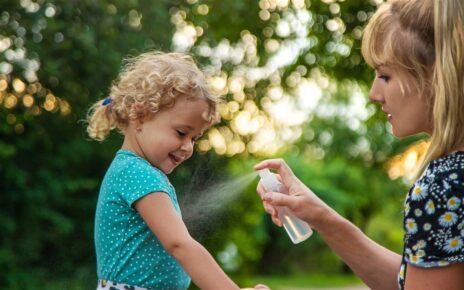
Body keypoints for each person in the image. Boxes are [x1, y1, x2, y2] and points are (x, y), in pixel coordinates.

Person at [255, 0, 464, 289]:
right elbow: (415, 280)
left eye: (385, 76)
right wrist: (320, 217)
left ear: (438, 76)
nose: (373, 94)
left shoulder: (443, 186)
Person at [87, 51, 268, 290]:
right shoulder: (136, 173)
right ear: (140, 116)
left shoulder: (135, 170)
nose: (188, 147)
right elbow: (180, 245)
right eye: (182, 133)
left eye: (194, 138)